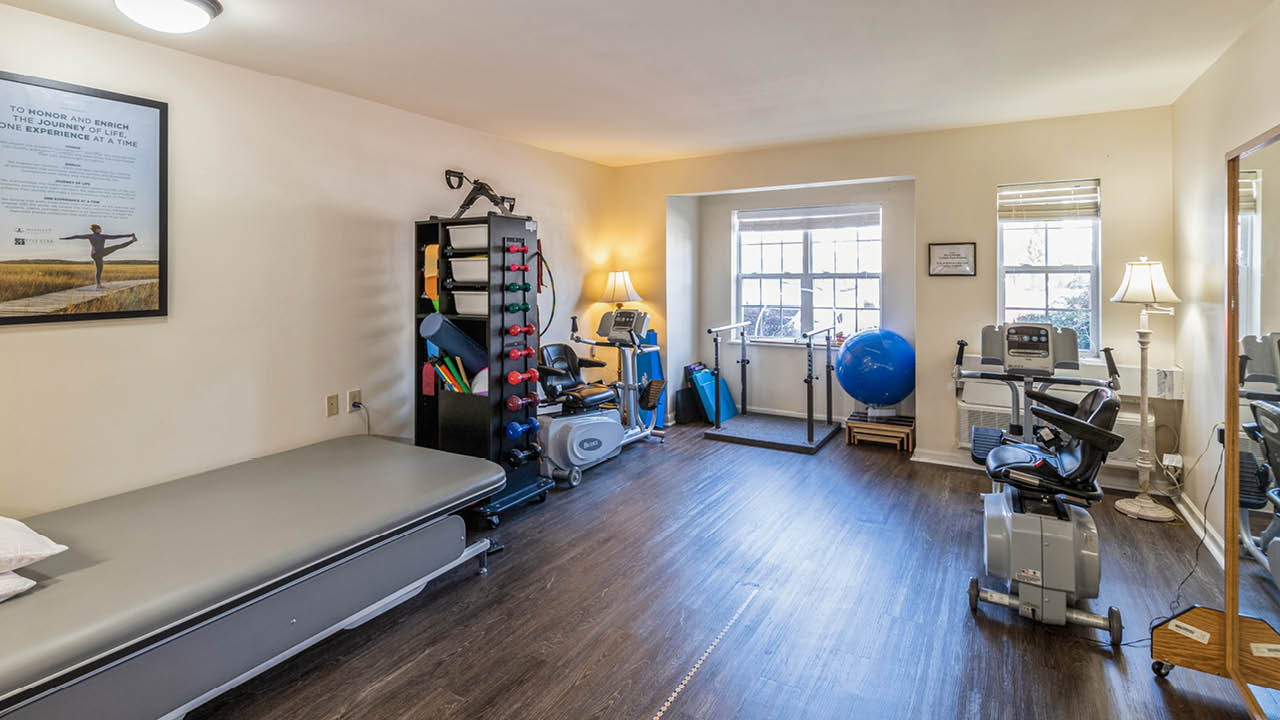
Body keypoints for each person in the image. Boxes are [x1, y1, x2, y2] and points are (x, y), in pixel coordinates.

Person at [59, 224, 138, 288]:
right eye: (99, 228)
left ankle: (98, 285)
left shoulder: (91, 236)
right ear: (96, 229)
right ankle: (132, 240)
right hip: (99, 253)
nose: (101, 229)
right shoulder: (102, 236)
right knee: (117, 247)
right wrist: (129, 235)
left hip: (95, 255)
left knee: (99, 269)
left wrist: (65, 238)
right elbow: (116, 236)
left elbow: (77, 236)